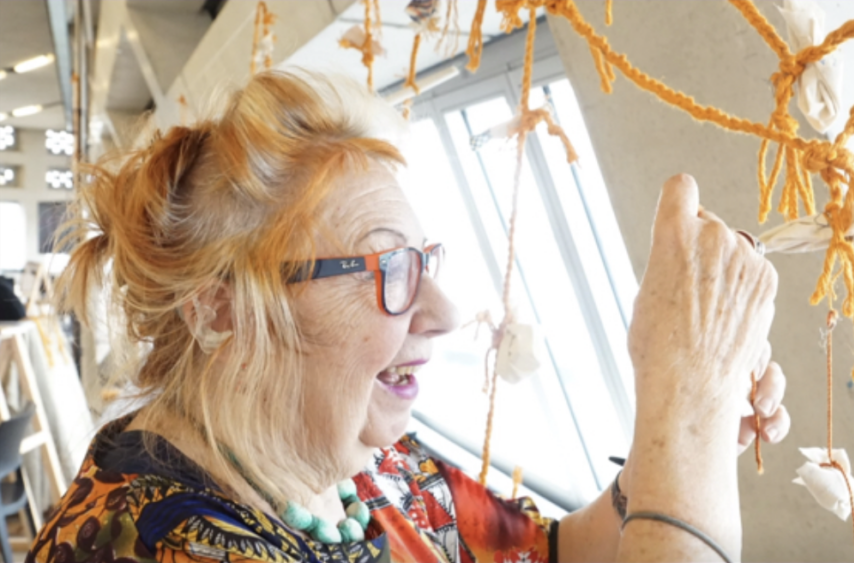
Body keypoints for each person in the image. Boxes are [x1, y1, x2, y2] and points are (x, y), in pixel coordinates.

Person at [26, 70, 789, 563]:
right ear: (220, 310)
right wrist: (686, 419)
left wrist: (681, 433)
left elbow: (544, 552)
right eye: (387, 268)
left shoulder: (365, 460)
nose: (446, 309)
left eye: (423, 261)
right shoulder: (160, 544)